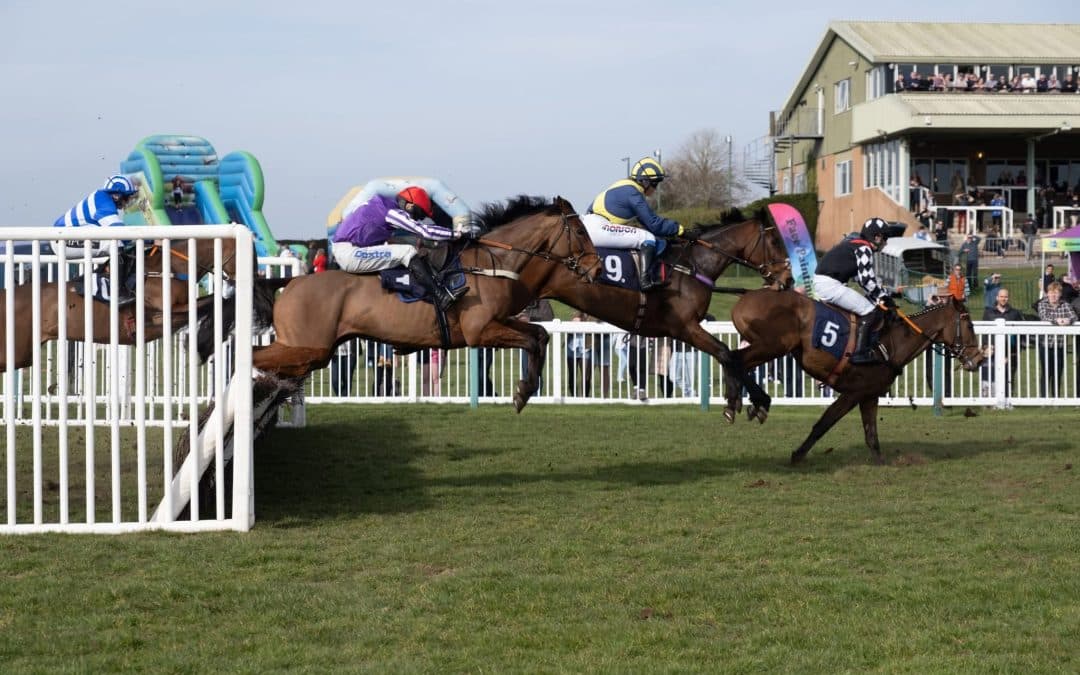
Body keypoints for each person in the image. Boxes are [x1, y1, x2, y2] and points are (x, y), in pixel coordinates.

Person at [331, 186, 468, 311]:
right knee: (407, 252)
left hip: (348, 248)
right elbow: (424, 231)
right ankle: (440, 296)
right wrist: (454, 234)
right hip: (350, 253)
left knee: (401, 249)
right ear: (408, 205)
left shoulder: (378, 205)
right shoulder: (392, 212)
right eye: (417, 214)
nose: (415, 218)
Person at [583, 157, 685, 291]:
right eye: (655, 183)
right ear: (645, 181)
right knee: (646, 238)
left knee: (641, 234)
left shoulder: (624, 185)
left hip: (590, 224)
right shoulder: (633, 193)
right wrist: (680, 229)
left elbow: (647, 223)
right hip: (597, 227)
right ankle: (645, 281)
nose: (656, 188)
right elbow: (653, 224)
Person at [812, 217, 894, 365]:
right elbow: (866, 281)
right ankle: (859, 353)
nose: (885, 243)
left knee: (868, 304)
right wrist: (884, 297)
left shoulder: (855, 245)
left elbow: (860, 279)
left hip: (825, 282)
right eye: (885, 238)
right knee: (870, 311)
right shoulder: (864, 248)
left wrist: (879, 295)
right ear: (877, 237)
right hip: (830, 285)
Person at [53, 174, 140, 301]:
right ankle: (119, 292)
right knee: (116, 244)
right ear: (117, 196)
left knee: (117, 245)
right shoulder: (104, 203)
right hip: (63, 241)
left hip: (64, 237)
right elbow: (120, 232)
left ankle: (88, 281)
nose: (127, 201)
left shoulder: (103, 198)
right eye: (127, 197)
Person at [1035, 281, 1076, 397]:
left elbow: (1073, 316)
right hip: (1045, 345)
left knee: (1058, 373)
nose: (1053, 295)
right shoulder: (1043, 304)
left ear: (1060, 294)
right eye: (1051, 293)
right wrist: (1058, 320)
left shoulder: (1066, 305)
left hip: (1060, 345)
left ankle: (1056, 397)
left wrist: (1068, 321)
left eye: (1056, 293)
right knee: (1046, 372)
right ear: (1047, 293)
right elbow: (1044, 316)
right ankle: (1044, 398)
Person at [981, 288, 1023, 399]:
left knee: (1008, 377)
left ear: (1008, 298)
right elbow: (984, 332)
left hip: (1010, 352)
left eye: (1005, 297)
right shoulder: (988, 312)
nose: (1003, 299)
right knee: (990, 376)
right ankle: (989, 401)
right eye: (1001, 296)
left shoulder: (1015, 313)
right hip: (991, 352)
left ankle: (1008, 400)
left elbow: (1020, 334)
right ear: (997, 297)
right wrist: (985, 347)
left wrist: (1012, 352)